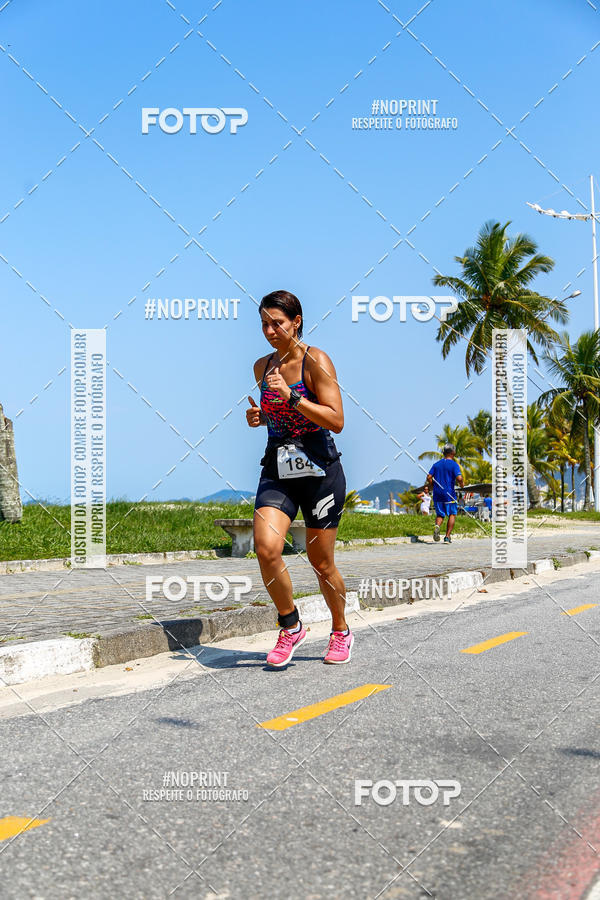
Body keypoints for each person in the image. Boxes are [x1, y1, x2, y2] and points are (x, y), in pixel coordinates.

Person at [246, 290, 352, 667]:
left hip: (321, 471)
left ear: (297, 322)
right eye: (264, 324)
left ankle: (340, 630)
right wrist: (260, 418)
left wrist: (292, 398)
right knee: (266, 548)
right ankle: (290, 626)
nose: (270, 331)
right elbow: (272, 416)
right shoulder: (262, 367)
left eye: (278, 323)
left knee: (321, 563)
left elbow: (336, 420)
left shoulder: (316, 360)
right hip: (279, 468)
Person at [426, 443, 464, 543]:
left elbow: (429, 477)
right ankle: (447, 537)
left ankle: (437, 526)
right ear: (453, 452)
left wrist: (433, 485)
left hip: (437, 494)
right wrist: (462, 484)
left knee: (440, 515)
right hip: (449, 494)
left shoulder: (436, 464)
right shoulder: (454, 465)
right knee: (452, 514)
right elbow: (459, 478)